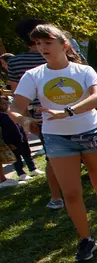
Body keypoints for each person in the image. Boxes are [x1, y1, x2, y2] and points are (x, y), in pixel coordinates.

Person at [10, 24, 97, 262]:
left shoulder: (83, 71)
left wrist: (66, 112)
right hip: (58, 140)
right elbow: (15, 108)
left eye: (47, 42)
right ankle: (85, 239)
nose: (42, 48)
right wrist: (24, 120)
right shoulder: (33, 76)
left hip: (92, 134)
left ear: (64, 45)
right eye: (38, 44)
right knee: (71, 193)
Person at [7, 18, 64, 209]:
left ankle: (56, 196)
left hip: (42, 119)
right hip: (57, 116)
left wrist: (27, 122)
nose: (43, 48)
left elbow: (17, 98)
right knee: (61, 156)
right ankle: (58, 196)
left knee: (52, 157)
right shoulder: (60, 53)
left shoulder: (15, 62)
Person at [0, 95, 43, 180]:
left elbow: (20, 123)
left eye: (6, 103)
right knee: (17, 158)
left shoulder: (13, 113)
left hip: (22, 138)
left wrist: (26, 131)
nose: (5, 105)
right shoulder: (1, 116)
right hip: (11, 141)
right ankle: (21, 173)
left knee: (27, 154)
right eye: (2, 104)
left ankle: (33, 168)